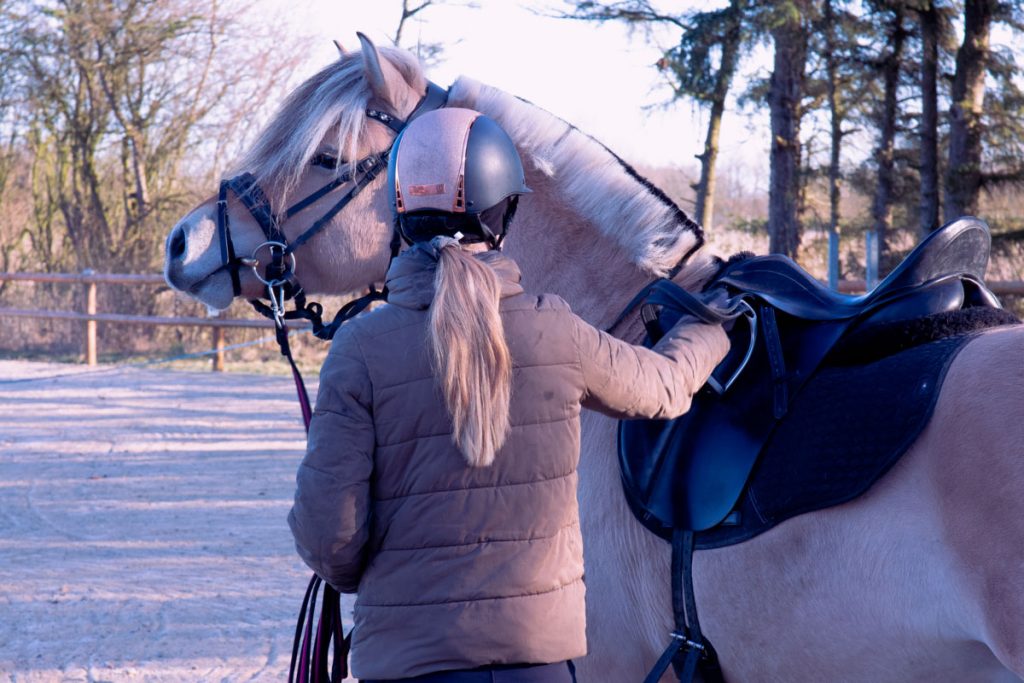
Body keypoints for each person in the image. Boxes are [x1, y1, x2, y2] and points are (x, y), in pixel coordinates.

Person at [288, 107, 730, 682]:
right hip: (538, 662)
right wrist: (714, 325)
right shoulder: (557, 330)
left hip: (408, 663)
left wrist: (388, 581)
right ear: (505, 212)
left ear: (400, 211)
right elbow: (664, 388)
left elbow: (329, 537)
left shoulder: (359, 350)